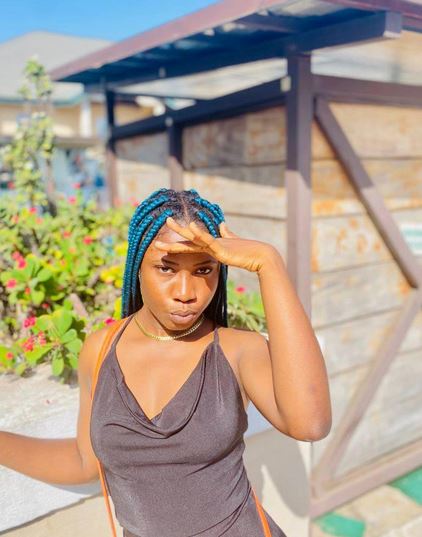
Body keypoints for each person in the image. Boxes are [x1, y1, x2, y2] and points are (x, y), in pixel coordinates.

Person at [0, 188, 332, 536]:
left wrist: (269, 263)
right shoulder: (100, 351)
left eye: (204, 270)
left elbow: (310, 425)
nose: (186, 292)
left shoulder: (237, 350)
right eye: (165, 268)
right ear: (137, 266)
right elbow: (85, 462)